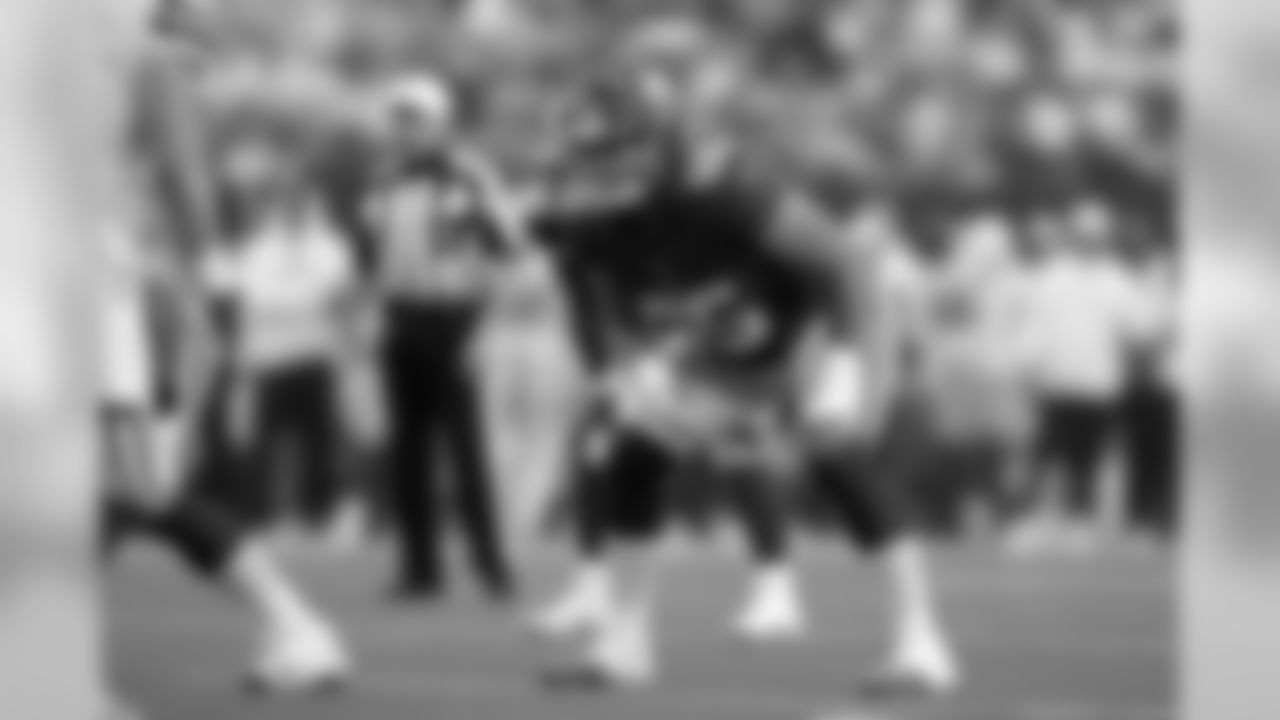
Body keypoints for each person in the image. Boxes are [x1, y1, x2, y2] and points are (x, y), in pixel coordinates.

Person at [518, 85, 958, 693]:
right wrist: (628, 370)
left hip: (815, 328)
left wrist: (852, 372)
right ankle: (625, 644)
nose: (600, 174)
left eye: (616, 154)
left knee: (839, 453)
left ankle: (922, 644)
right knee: (637, 449)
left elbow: (847, 268)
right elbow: (600, 307)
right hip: (719, 352)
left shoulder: (724, 187)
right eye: (588, 159)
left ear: (660, 143)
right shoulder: (579, 222)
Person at [366, 74, 520, 602]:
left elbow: (508, 252)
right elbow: (375, 254)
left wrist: (485, 327)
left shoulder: (470, 176)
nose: (405, 130)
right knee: (408, 451)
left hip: (455, 321)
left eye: (416, 119)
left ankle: (491, 564)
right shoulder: (386, 179)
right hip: (401, 319)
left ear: (441, 123)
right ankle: (420, 568)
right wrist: (376, 313)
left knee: (465, 449)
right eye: (400, 119)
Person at [200, 143, 358, 537]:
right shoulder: (258, 246)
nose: (294, 206)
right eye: (286, 198)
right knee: (260, 442)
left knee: (320, 441)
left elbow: (340, 298)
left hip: (315, 355)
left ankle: (319, 515)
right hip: (265, 358)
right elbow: (241, 297)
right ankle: (258, 517)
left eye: (300, 198)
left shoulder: (329, 246)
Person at [1008, 197, 1157, 554]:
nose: (1089, 242)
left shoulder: (1115, 280)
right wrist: (1025, 369)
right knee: (1051, 455)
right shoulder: (1053, 277)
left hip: (1097, 384)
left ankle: (1078, 525)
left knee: (1083, 460)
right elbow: (1034, 330)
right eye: (1083, 236)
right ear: (1074, 237)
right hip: (1059, 381)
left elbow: (1139, 328)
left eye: (1094, 237)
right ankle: (1047, 522)